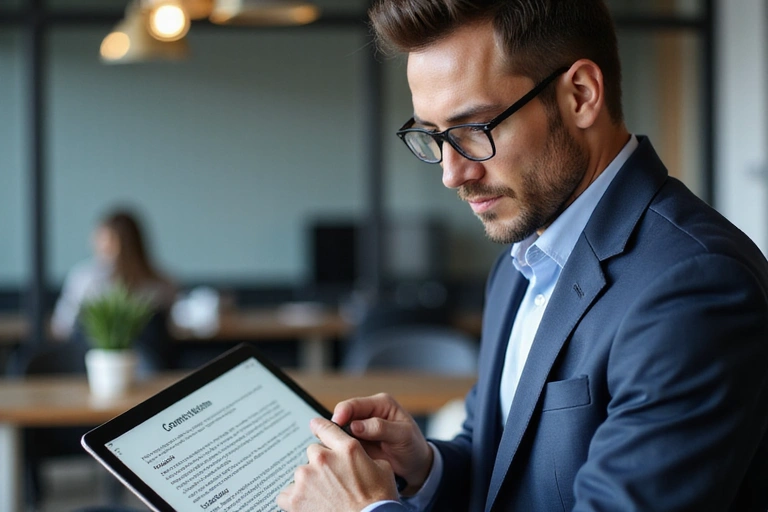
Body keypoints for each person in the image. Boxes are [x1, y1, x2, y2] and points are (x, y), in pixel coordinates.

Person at [277, 1, 768, 511]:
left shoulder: (696, 285)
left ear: (580, 95)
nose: (452, 174)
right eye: (434, 136)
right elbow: (505, 470)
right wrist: (425, 468)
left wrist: (368, 510)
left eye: (476, 128)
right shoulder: (523, 259)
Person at [51, 208, 177, 340]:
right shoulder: (165, 282)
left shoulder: (86, 279)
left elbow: (62, 325)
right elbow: (175, 327)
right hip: (155, 359)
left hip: (91, 358)